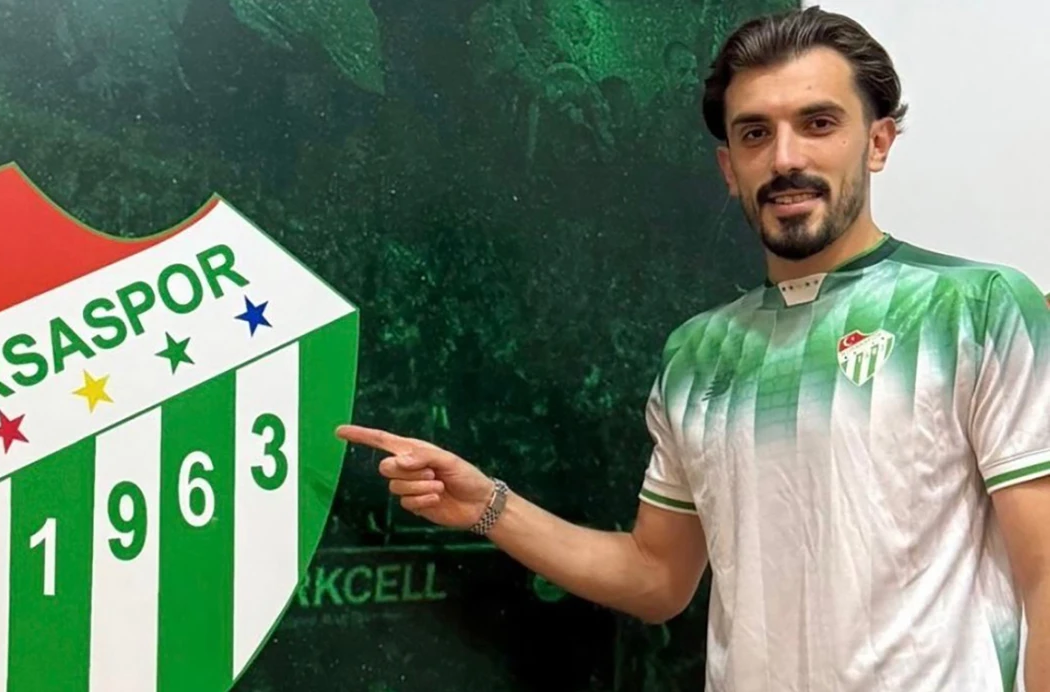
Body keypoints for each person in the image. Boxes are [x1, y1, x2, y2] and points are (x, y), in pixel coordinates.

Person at [337, 6, 1050, 692]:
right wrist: (487, 506)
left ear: (878, 142)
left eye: (818, 123)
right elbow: (658, 578)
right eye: (755, 133)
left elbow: (1046, 576)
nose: (785, 158)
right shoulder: (699, 353)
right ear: (729, 168)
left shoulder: (979, 309)